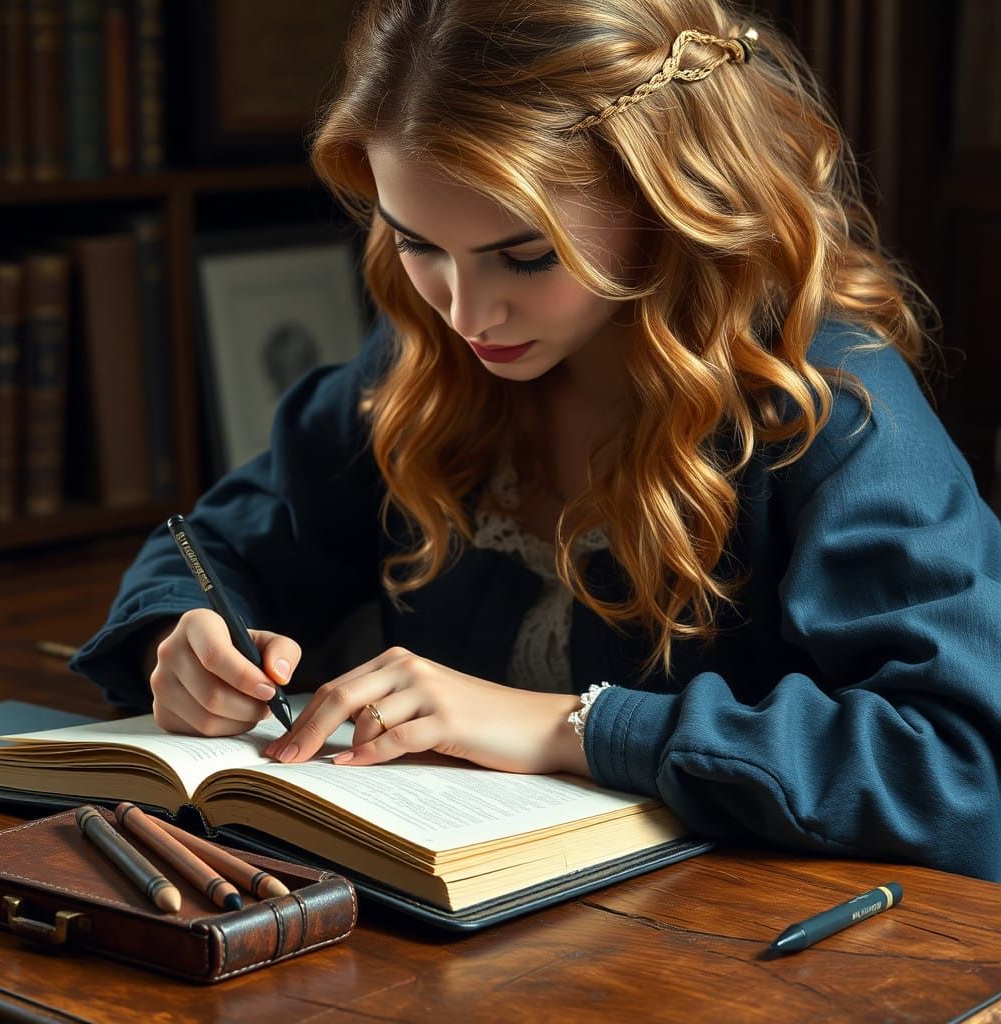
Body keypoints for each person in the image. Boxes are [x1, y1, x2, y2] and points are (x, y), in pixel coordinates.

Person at [72, 0, 1001, 882]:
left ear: (664, 196)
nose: (468, 312)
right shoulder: (425, 367)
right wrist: (185, 637)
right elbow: (215, 546)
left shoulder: (825, 401)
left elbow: (963, 769)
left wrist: (572, 729)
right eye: (417, 244)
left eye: (525, 256)